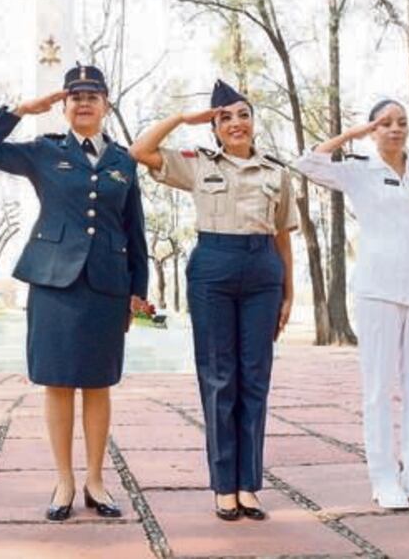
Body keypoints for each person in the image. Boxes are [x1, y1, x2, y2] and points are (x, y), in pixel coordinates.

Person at [0, 65, 150, 521]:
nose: (84, 101)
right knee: (57, 381)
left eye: (93, 95)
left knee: (98, 383)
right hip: (53, 281)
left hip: (108, 284)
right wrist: (22, 110)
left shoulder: (125, 161)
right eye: (75, 95)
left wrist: (138, 290)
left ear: (106, 104)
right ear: (64, 105)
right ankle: (64, 480)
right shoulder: (44, 152)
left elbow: (135, 230)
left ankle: (95, 479)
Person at [129, 80, 297, 521]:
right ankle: (225, 484)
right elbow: (140, 151)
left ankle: (249, 484)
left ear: (254, 121)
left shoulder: (276, 172)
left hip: (263, 271)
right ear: (214, 127)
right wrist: (184, 118)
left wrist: (288, 291)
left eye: (243, 114)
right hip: (213, 269)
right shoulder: (198, 164)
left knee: (255, 377)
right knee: (220, 377)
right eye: (225, 117)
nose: (236, 123)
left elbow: (282, 237)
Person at [293, 99, 409, 510]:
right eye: (385, 123)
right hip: (377, 290)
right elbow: (307, 163)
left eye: (402, 122)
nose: (395, 129)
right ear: (373, 130)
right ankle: (384, 479)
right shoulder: (360, 172)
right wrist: (353, 136)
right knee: (379, 389)